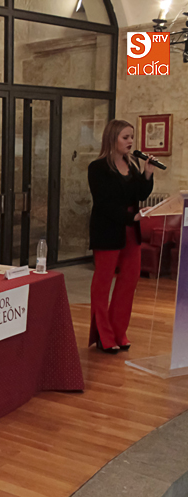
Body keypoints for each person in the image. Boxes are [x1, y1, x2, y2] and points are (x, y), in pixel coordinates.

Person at [88, 119, 156, 354]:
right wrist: (131, 218)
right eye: (125, 137)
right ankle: (104, 336)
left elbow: (139, 193)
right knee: (102, 284)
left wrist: (147, 174)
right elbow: (104, 204)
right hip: (109, 229)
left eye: (131, 137)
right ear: (112, 138)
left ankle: (119, 331)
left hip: (131, 231)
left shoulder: (132, 163)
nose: (130, 142)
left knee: (129, 282)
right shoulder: (97, 168)